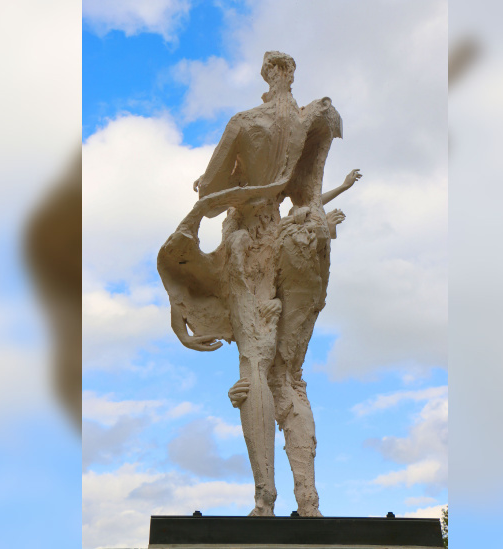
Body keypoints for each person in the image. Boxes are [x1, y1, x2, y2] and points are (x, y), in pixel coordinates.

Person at [158, 51, 360, 516]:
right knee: (290, 378)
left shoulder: (245, 123)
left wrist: (210, 184)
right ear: (291, 74)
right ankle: (308, 502)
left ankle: (265, 500)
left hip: (250, 247)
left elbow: (210, 194)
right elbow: (306, 194)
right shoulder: (314, 119)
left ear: (267, 75)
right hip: (300, 241)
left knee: (256, 371)